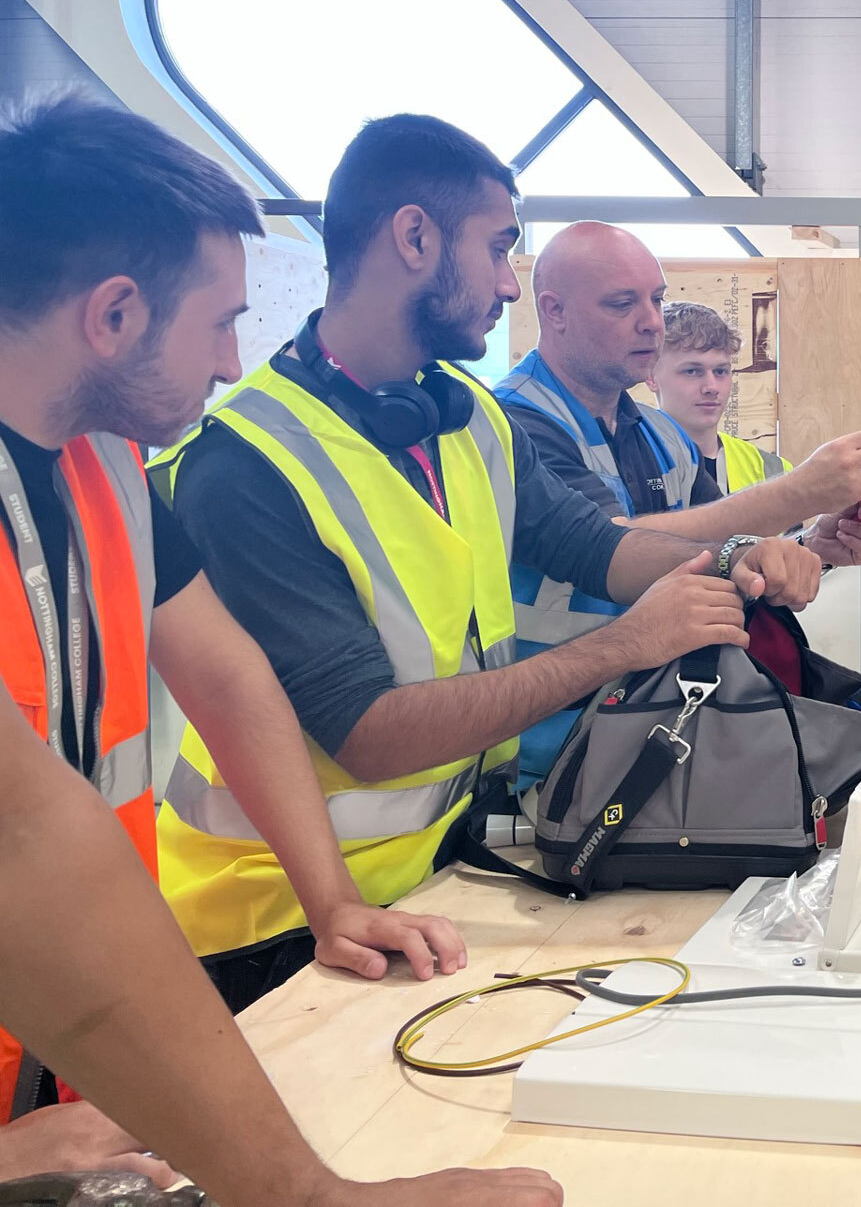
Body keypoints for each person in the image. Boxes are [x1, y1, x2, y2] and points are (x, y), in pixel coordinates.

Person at [0, 93, 557, 1203]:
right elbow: (23, 834)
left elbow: (226, 672)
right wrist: (308, 1195)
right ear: (113, 316)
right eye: (218, 323)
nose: (231, 359)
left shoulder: (100, 468)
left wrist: (330, 899)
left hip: (62, 1041)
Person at [157, 116, 818, 1011]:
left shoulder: (462, 415)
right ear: (416, 237)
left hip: (429, 882)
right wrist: (621, 645)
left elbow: (598, 545)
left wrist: (738, 557)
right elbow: (368, 732)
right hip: (275, 926)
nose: (510, 286)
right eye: (499, 248)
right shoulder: (246, 465)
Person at [493, 221, 861, 781]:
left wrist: (810, 545)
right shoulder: (513, 423)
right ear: (553, 310)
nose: (651, 321)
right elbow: (610, 545)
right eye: (621, 303)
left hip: (650, 737)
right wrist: (797, 492)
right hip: (546, 753)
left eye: (656, 299)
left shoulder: (661, 434)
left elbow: (716, 556)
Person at [653, 300, 790, 491]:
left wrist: (829, 522)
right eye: (692, 371)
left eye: (720, 371)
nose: (711, 387)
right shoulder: (623, 466)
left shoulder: (772, 470)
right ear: (650, 377)